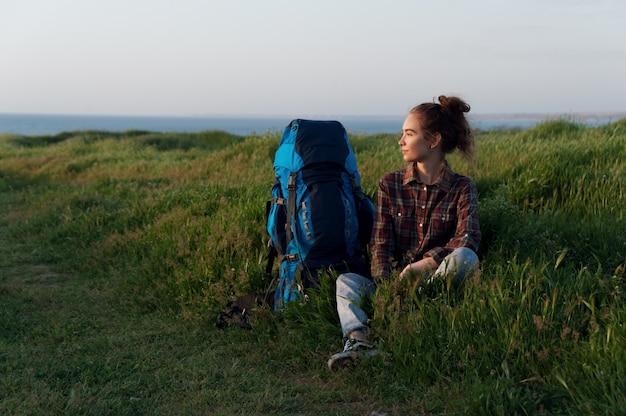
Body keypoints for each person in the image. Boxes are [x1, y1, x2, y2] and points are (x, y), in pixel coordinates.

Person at [328, 95, 481, 370]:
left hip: (432, 282)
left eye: (409, 134)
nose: (401, 141)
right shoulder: (390, 183)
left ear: (433, 140)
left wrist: (421, 267)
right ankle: (359, 341)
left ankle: (420, 311)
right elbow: (380, 244)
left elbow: (466, 238)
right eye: (402, 133)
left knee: (466, 257)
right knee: (347, 282)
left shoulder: (462, 187)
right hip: (391, 283)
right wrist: (388, 288)